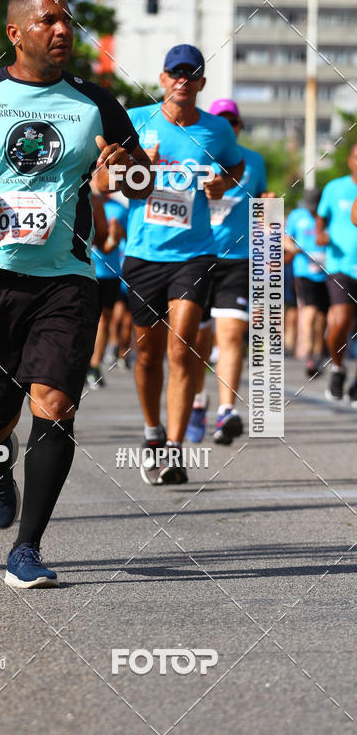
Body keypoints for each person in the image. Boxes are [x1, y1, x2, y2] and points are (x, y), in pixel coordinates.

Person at [0, 0, 152, 588]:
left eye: (67, 21)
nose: (62, 31)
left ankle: (27, 550)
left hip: (67, 278)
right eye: (48, 21)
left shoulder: (98, 103)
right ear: (15, 33)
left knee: (56, 403)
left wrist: (124, 171)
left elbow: (140, 182)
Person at [124, 46, 244, 484]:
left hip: (195, 254)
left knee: (181, 347)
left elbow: (236, 166)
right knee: (148, 356)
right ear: (163, 78)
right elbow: (103, 177)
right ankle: (152, 433)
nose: (183, 80)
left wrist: (221, 183)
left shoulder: (216, 130)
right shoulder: (137, 121)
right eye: (176, 73)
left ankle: (174, 450)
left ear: (201, 83)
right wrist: (140, 167)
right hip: (142, 254)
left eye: (191, 74)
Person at [186, 99, 268, 445]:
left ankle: (226, 412)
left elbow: (264, 205)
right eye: (221, 121)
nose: (228, 127)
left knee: (232, 334)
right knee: (196, 343)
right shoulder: (194, 154)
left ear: (239, 127)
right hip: (195, 255)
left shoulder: (254, 161)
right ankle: (196, 403)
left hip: (239, 257)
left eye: (233, 122)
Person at [316, 142, 357, 403]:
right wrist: (320, 234)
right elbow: (322, 217)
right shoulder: (335, 188)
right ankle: (338, 368)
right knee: (340, 321)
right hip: (341, 265)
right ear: (350, 160)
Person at [284, 189, 329, 378]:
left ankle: (318, 353)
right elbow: (285, 239)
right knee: (309, 310)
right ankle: (309, 356)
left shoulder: (328, 215)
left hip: (327, 271)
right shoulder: (297, 216)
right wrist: (297, 251)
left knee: (322, 315)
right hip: (304, 270)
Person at [87, 190, 128, 388]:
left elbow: (118, 242)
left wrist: (114, 238)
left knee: (103, 321)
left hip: (109, 274)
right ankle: (80, 364)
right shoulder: (81, 197)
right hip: (83, 270)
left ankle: (94, 366)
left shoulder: (120, 209)